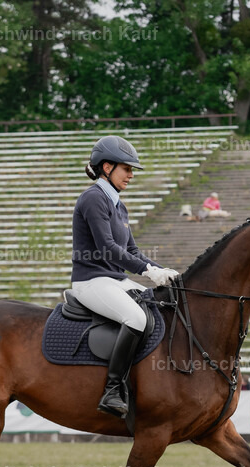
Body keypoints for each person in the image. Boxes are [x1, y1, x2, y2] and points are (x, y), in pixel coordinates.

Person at [72, 135, 179, 418]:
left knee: (159, 307)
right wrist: (148, 272)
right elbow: (108, 249)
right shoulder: (93, 198)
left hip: (114, 280)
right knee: (137, 319)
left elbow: (131, 249)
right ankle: (113, 389)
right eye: (127, 169)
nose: (131, 175)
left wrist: (163, 271)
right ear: (107, 167)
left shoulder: (118, 205)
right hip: (91, 281)